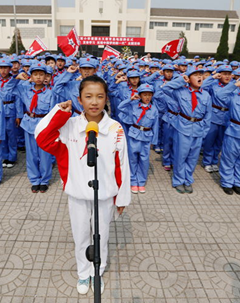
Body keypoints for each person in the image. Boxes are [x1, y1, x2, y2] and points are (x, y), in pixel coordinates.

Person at [35, 75, 130, 295]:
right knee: (81, 237)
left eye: (99, 96)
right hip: (77, 196)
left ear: (106, 99)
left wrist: (122, 198)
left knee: (101, 237)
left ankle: (98, 272)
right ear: (79, 99)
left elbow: (122, 165)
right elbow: (41, 137)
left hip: (104, 196)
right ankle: (83, 274)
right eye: (88, 96)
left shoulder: (115, 129)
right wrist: (59, 112)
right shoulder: (69, 126)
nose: (94, 102)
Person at [162, 66, 211, 194]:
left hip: (198, 128)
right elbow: (166, 88)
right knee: (180, 155)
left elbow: (208, 115)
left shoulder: (206, 95)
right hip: (183, 126)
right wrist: (180, 80)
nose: (199, 77)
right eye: (195, 75)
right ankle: (178, 180)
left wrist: (204, 131)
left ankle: (188, 179)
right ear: (188, 79)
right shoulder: (181, 91)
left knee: (193, 157)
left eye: (201, 75)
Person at [9, 62, 57, 193]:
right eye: (35, 74)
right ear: (31, 76)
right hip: (29, 123)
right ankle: (35, 179)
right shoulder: (25, 89)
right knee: (31, 155)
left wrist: (51, 128)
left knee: (45, 155)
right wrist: (16, 77)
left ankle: (45, 180)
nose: (39, 77)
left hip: (43, 124)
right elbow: (10, 88)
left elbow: (53, 112)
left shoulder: (50, 93)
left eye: (41, 74)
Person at [118, 83, 159, 194]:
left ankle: (141, 181)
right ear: (139, 95)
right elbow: (120, 107)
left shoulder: (154, 109)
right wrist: (130, 100)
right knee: (132, 159)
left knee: (144, 160)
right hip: (134, 135)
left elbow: (156, 125)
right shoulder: (134, 106)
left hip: (146, 136)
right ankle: (132, 180)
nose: (147, 97)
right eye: (144, 95)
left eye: (149, 95)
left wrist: (154, 141)